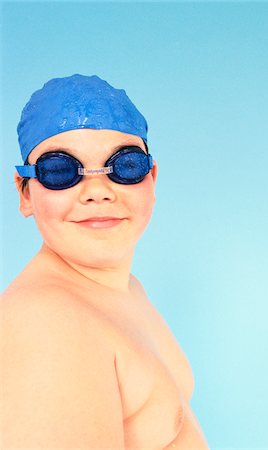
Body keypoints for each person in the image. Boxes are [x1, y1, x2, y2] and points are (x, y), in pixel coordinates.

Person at [1, 74, 209, 449]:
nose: (97, 191)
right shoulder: (47, 325)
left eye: (124, 166)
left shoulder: (122, 288)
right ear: (25, 192)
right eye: (61, 171)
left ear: (152, 177)